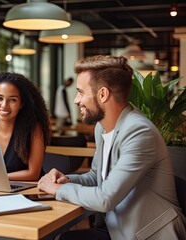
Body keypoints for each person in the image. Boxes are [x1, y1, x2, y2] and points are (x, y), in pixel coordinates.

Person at [38, 55, 186, 240]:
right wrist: (65, 181)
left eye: (81, 92)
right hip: (117, 228)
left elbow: (105, 198)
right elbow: (96, 176)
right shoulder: (102, 127)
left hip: (147, 233)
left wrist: (58, 190)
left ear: (102, 94)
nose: (76, 100)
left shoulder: (139, 132)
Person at [0, 72, 51, 181]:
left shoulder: (33, 129)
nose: (4, 105)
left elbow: (33, 174)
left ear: (21, 104)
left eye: (13, 100)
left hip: (26, 193)